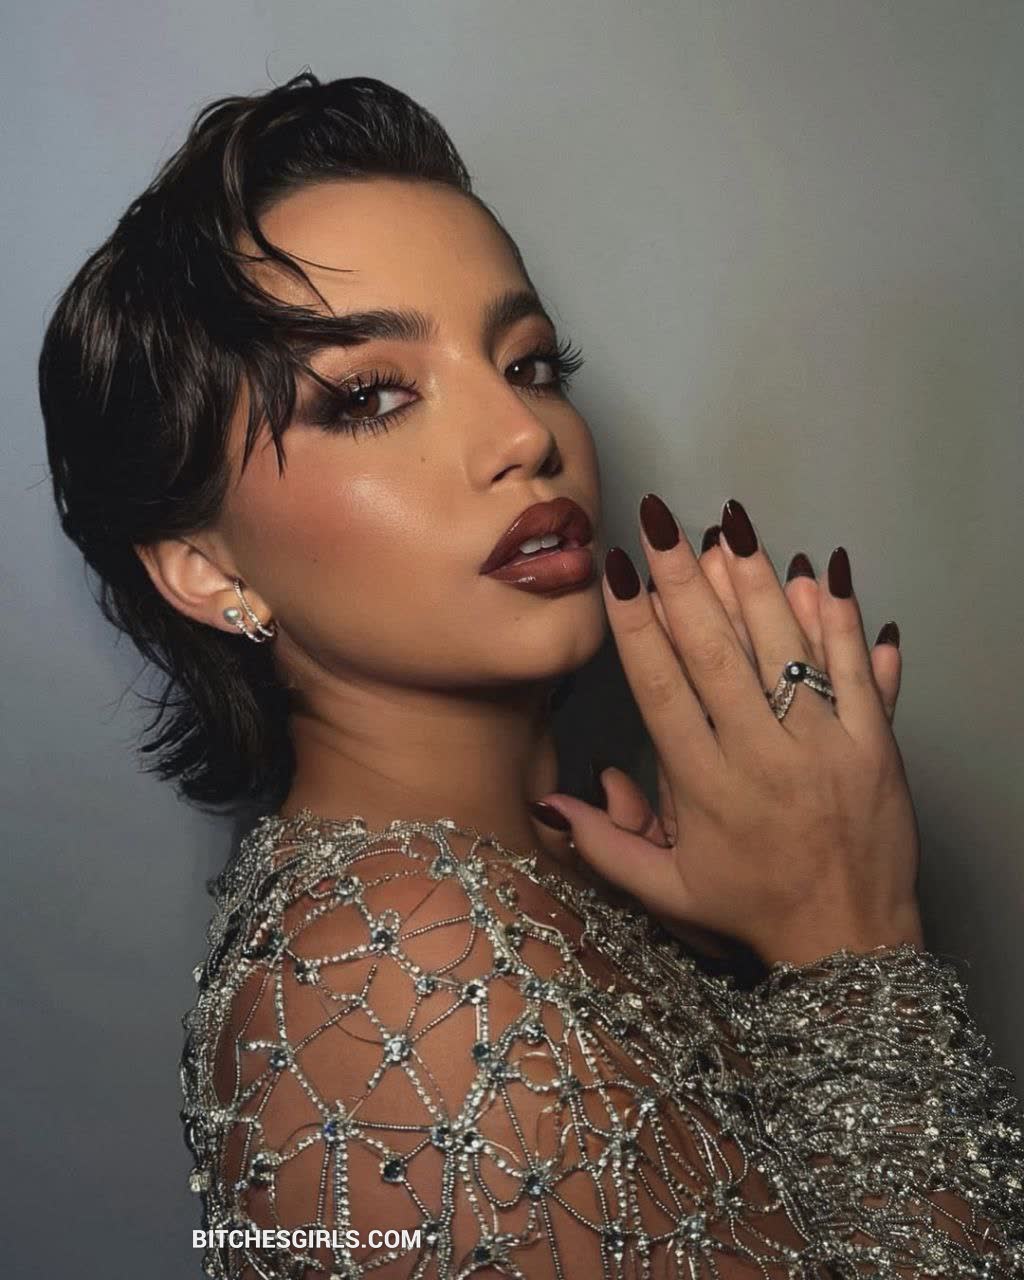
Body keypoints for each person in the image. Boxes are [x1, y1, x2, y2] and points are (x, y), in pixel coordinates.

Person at [38, 70, 1024, 1279]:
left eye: (530, 363)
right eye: (371, 395)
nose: (525, 435)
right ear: (204, 566)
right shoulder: (399, 974)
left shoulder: (502, 891)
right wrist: (853, 943)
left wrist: (742, 958)